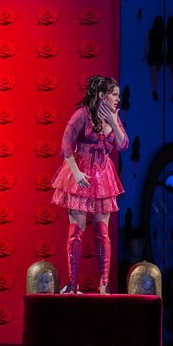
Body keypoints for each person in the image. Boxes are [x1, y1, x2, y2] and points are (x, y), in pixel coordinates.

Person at [51, 75, 129, 294]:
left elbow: (123, 144)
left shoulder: (113, 116)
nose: (118, 99)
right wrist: (76, 173)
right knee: (77, 230)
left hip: (103, 177)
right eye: (114, 94)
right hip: (81, 173)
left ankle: (104, 285)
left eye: (119, 95)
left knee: (102, 232)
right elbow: (66, 144)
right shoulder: (82, 115)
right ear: (102, 95)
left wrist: (113, 121)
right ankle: (72, 284)